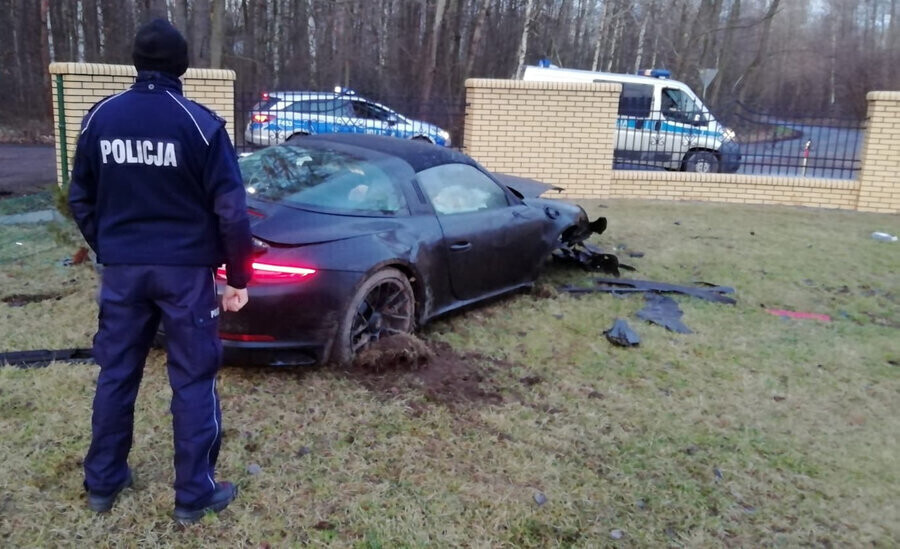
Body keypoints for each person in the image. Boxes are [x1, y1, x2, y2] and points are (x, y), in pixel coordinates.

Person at [68, 18, 253, 523]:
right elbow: (232, 211)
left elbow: (79, 196)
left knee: (116, 373)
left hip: (125, 272)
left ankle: (103, 482)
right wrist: (239, 278)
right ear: (183, 66)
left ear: (136, 62)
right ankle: (193, 494)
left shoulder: (99, 118)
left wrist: (110, 244)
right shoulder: (199, 123)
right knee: (193, 381)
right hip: (185, 276)